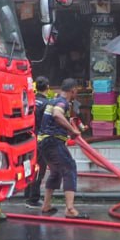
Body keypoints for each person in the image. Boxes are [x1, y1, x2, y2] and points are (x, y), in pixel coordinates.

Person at [39, 78, 86, 218]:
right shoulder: (62, 102)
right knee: (69, 168)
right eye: (76, 91)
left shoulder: (53, 100)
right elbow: (57, 114)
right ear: (73, 90)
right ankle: (70, 209)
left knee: (55, 172)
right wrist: (72, 130)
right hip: (53, 141)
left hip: (43, 142)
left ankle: (46, 205)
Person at [23, 76, 51, 208]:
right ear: (48, 87)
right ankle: (33, 198)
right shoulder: (47, 104)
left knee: (28, 166)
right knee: (39, 168)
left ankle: (27, 193)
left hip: (28, 138)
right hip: (41, 139)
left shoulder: (31, 100)